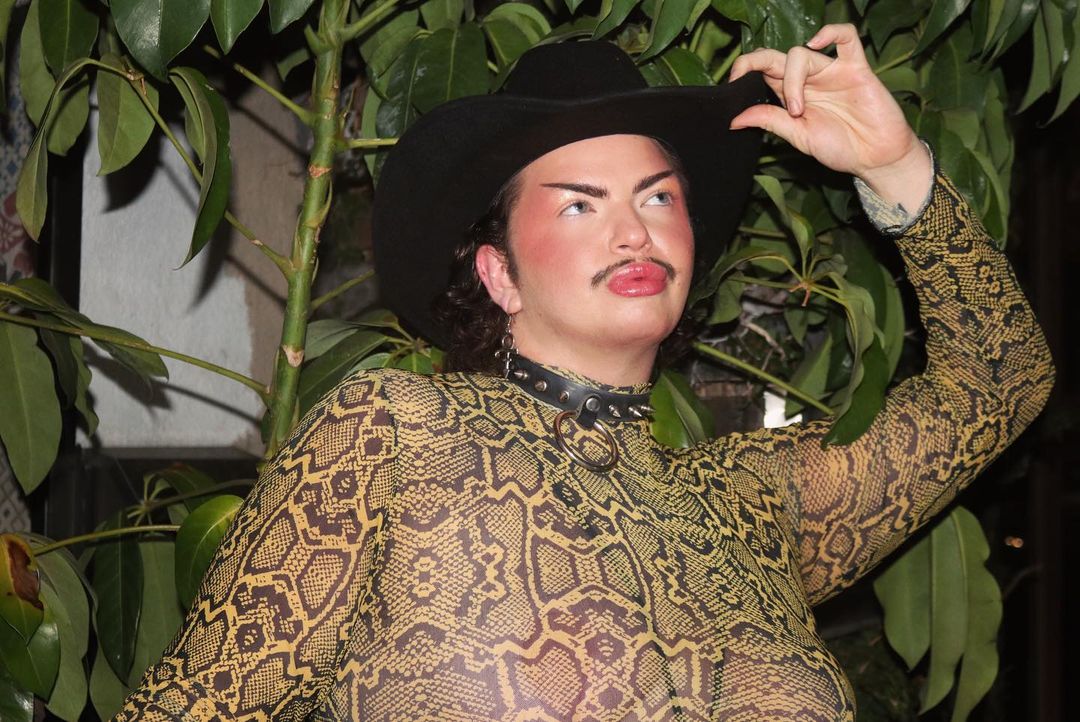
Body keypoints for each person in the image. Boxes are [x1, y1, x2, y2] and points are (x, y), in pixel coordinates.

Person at [116, 24, 1054, 721]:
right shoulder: (394, 436)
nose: (634, 232)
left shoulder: (755, 502)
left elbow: (1002, 382)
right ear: (499, 273)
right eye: (579, 206)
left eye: (659, 198)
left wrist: (896, 168)